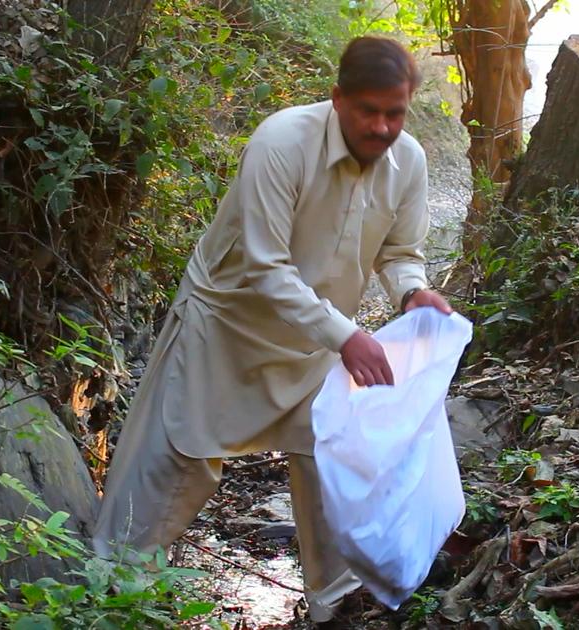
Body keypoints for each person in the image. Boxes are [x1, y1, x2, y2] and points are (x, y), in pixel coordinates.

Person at [92, 35, 453, 623]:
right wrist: (347, 336)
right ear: (337, 98)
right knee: (178, 457)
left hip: (318, 340)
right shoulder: (283, 142)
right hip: (225, 323)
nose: (382, 127)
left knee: (329, 461)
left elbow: (400, 253)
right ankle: (112, 590)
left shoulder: (408, 161)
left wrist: (412, 292)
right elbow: (266, 266)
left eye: (395, 113)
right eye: (369, 111)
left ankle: (337, 604)